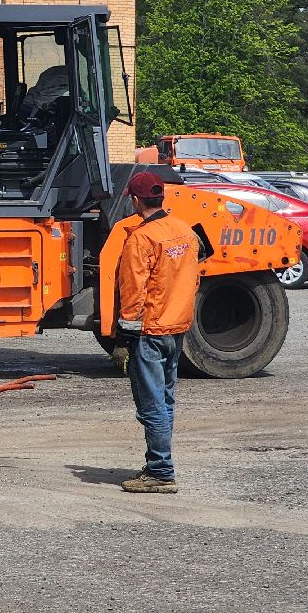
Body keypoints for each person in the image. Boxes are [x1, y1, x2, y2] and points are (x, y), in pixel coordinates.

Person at [113, 170, 201, 495]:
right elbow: (193, 279)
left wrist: (123, 338)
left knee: (151, 404)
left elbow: (133, 291)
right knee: (164, 400)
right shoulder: (185, 231)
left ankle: (161, 471)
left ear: (136, 201)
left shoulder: (141, 239)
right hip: (176, 328)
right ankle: (157, 464)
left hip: (149, 332)